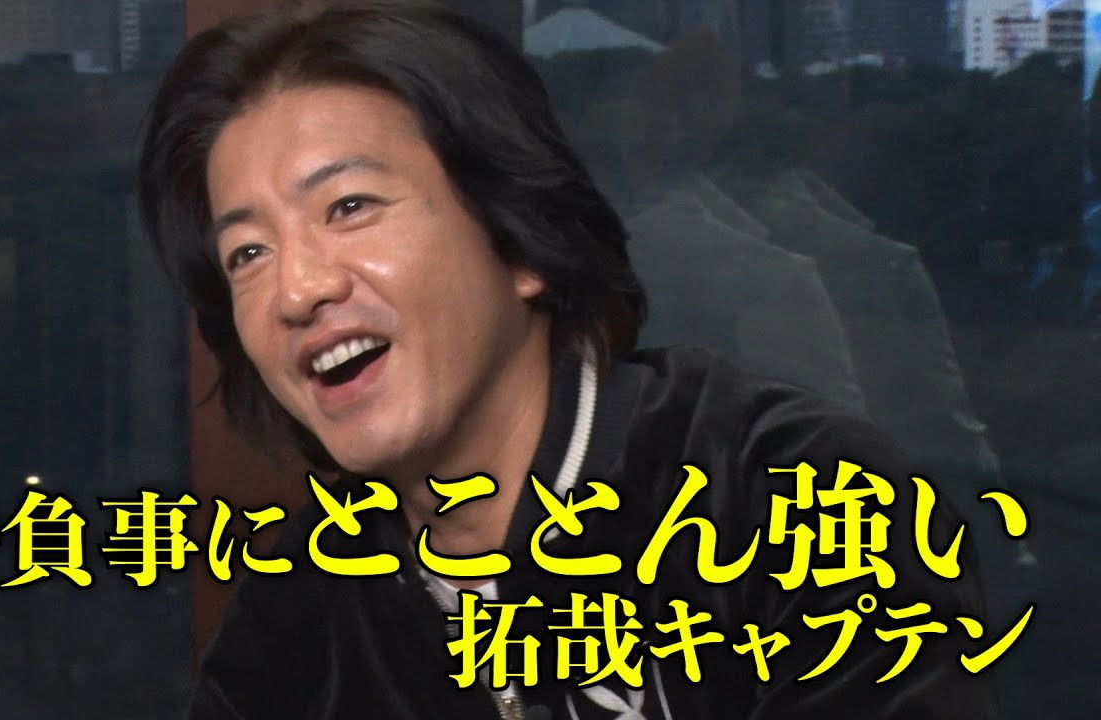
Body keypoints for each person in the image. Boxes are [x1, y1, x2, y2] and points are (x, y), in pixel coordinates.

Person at [138, 2, 996, 718]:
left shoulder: (794, 500)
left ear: (520, 242)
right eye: (248, 253)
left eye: (350, 206)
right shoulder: (298, 608)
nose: (297, 289)